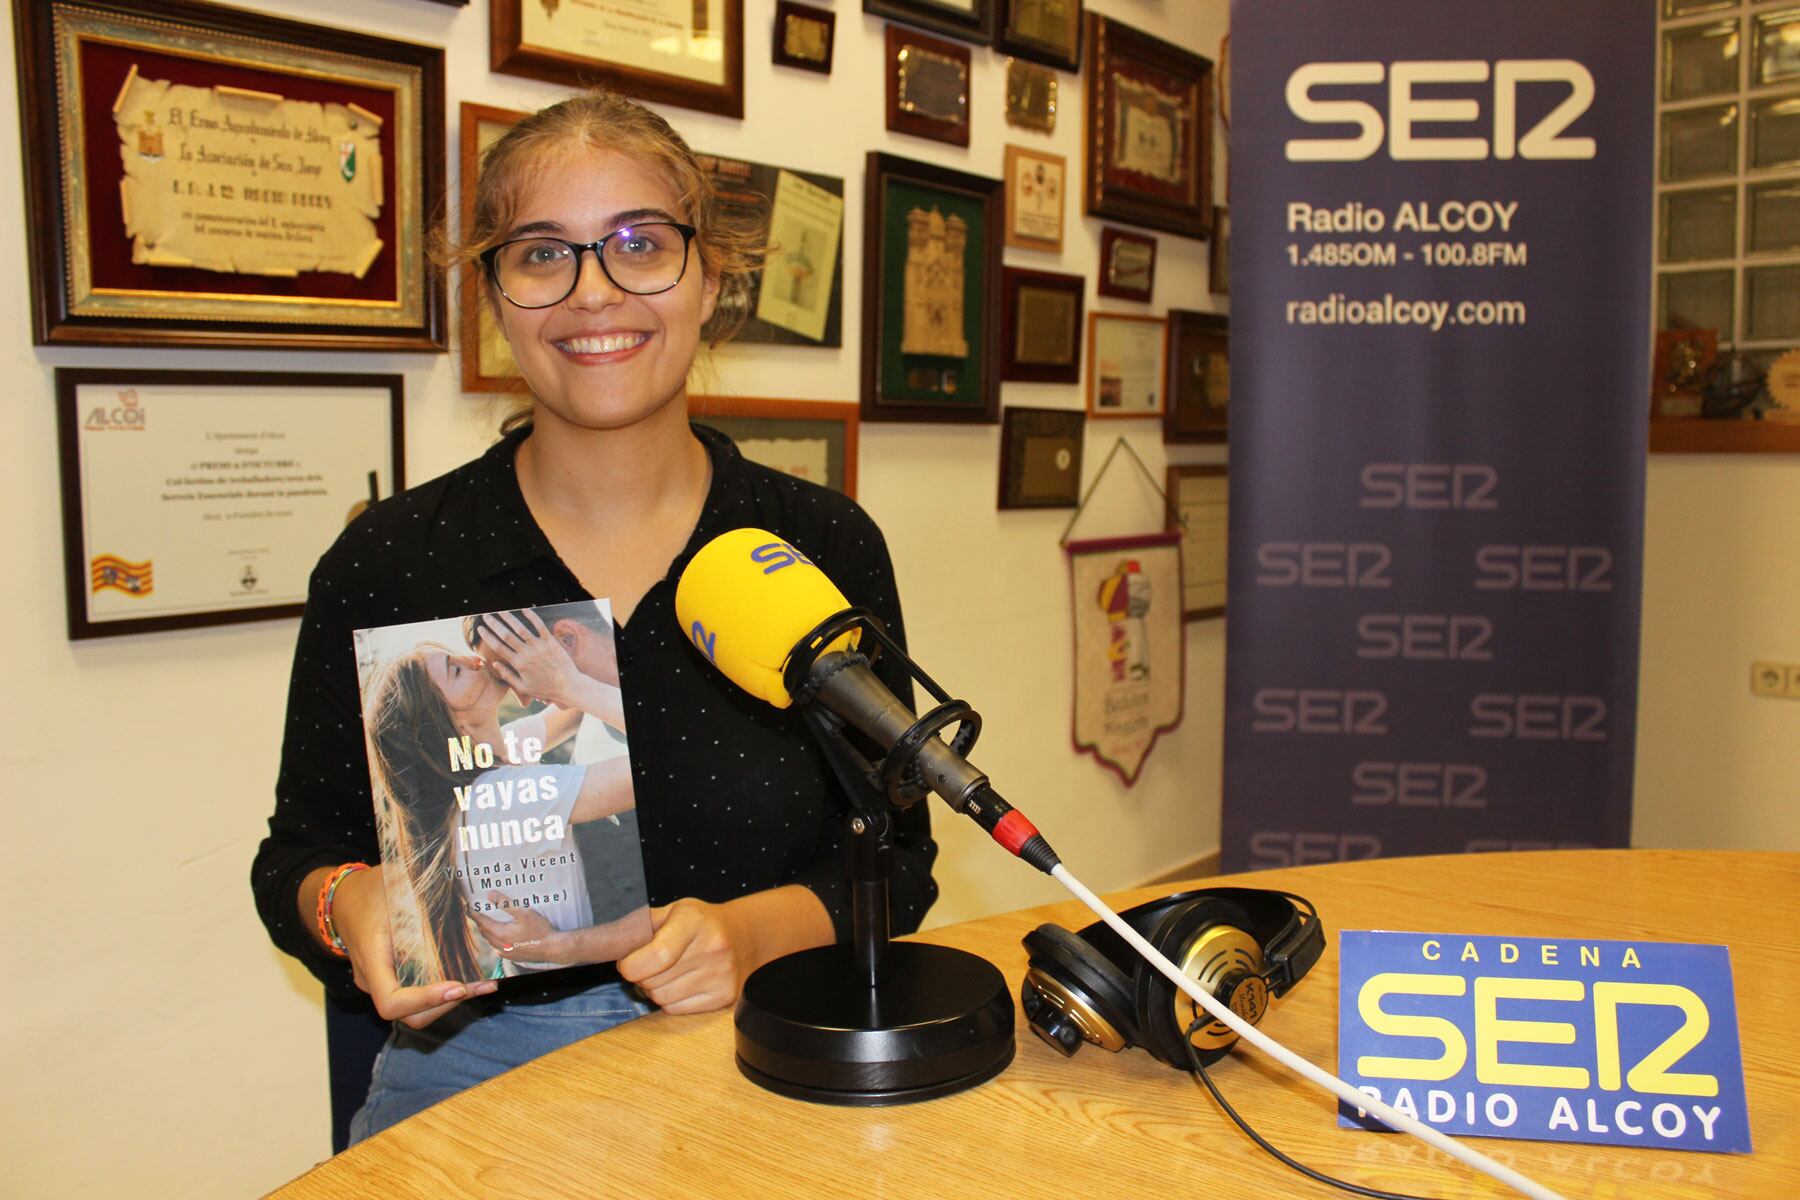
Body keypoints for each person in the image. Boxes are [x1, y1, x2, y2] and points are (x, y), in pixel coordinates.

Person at [251, 88, 938, 1142]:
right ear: (492, 294)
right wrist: (352, 906)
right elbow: (298, 857)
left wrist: (746, 935)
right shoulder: (392, 561)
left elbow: (895, 859)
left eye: (638, 242)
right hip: (477, 1068)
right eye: (541, 253)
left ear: (710, 278)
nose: (594, 293)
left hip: (769, 1036)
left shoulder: (821, 549)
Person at [360, 640, 640, 981]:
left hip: (529, 972)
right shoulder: (502, 797)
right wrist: (570, 683)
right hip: (566, 991)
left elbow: (572, 709)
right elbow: (653, 768)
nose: (475, 661)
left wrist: (551, 674)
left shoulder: (486, 761)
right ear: (450, 724)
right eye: (456, 670)